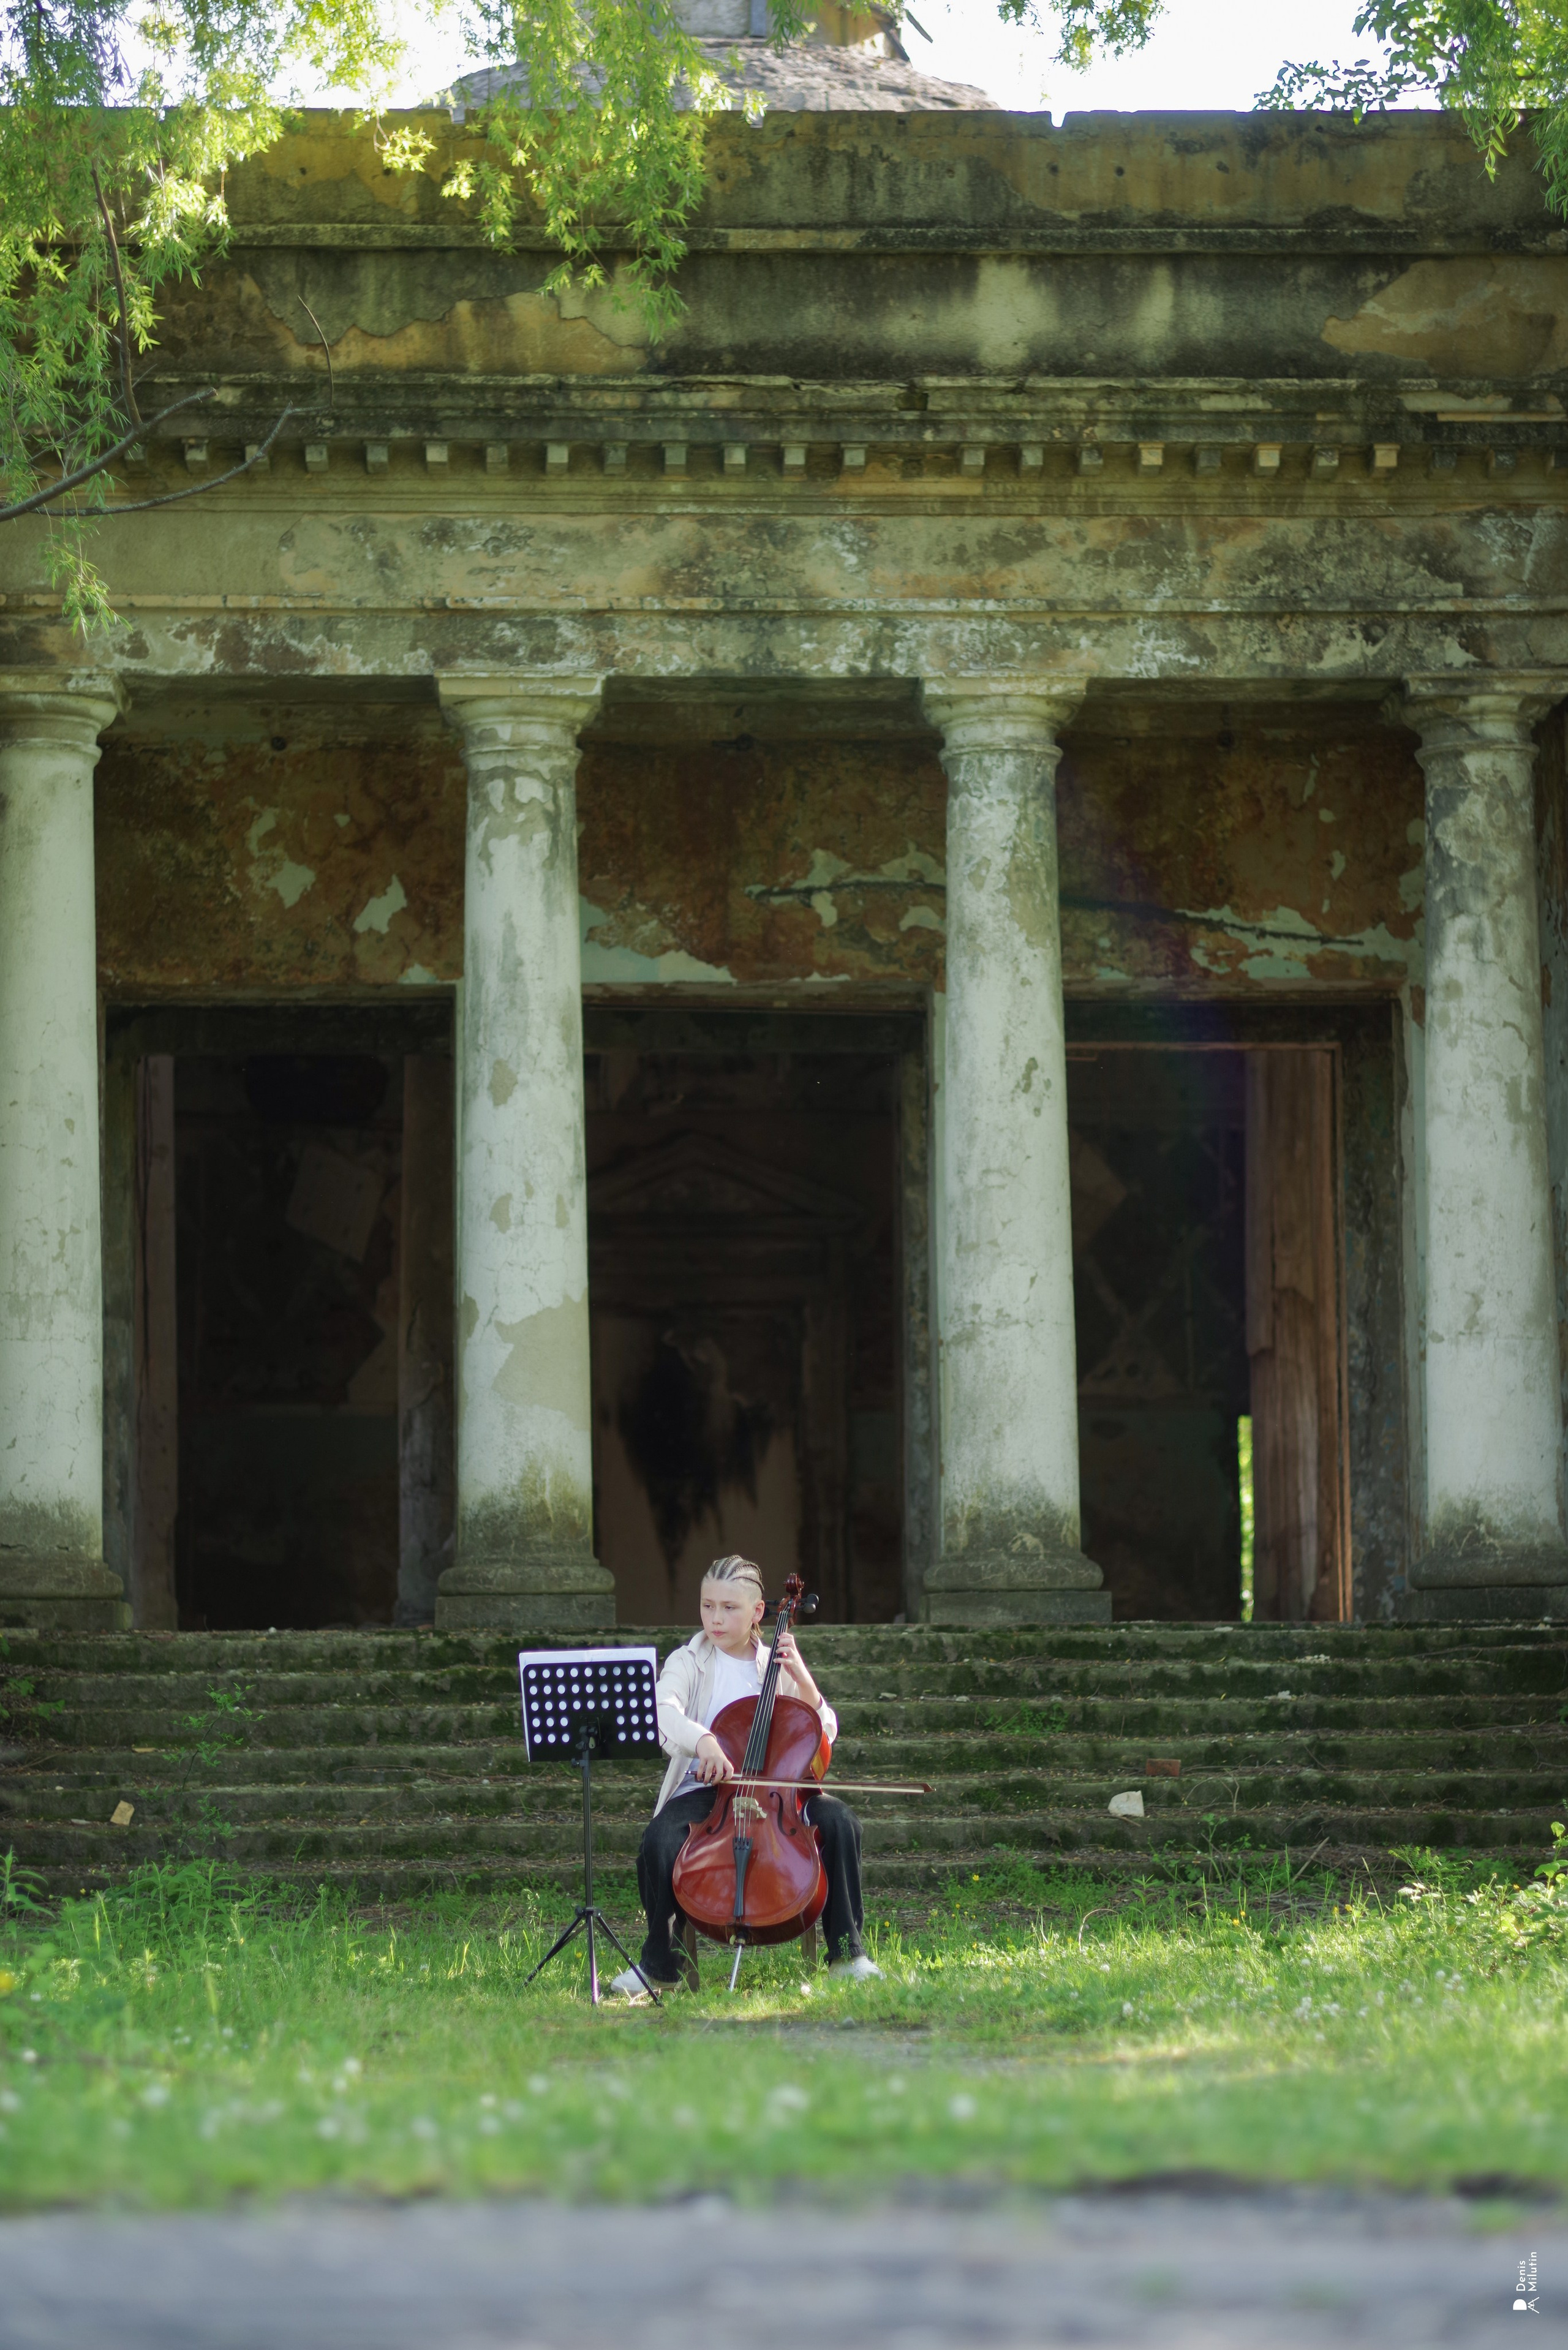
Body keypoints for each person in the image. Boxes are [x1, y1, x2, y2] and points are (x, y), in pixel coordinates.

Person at [611, 1553, 883, 1995]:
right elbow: (662, 1712)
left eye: (729, 1607)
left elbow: (823, 1729)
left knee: (840, 1821)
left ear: (759, 1611)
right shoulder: (688, 1659)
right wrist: (704, 1742)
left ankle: (847, 1954)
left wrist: (806, 1683)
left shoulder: (775, 1664)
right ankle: (661, 1965)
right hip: (709, 1790)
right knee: (658, 1840)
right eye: (707, 1605)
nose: (715, 1618)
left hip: (780, 1791)